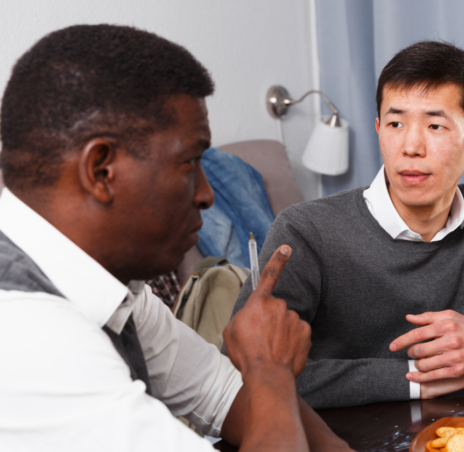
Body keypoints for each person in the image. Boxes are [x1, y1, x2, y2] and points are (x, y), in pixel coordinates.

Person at [0, 24, 351, 451]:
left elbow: (221, 393)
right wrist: (270, 370)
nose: (206, 194)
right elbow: (259, 392)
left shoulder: (111, 287)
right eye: (189, 162)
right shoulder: (24, 332)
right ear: (100, 171)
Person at [228, 41, 464, 409]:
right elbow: (247, 370)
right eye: (395, 123)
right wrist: (419, 380)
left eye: (435, 125)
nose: (410, 146)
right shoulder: (305, 231)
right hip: (340, 433)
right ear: (378, 130)